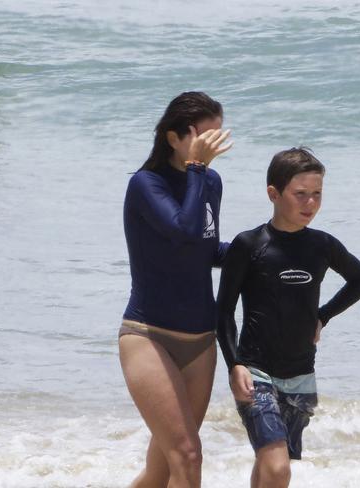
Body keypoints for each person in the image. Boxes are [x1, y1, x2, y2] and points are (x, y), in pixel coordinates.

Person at [216, 147, 360, 488]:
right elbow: (223, 310)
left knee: (270, 463)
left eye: (317, 194)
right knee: (278, 467)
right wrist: (234, 364)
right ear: (274, 193)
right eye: (300, 194)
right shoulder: (250, 244)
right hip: (256, 372)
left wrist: (323, 316)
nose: (310, 203)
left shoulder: (322, 245)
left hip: (301, 375)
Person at [119, 91, 233, 488]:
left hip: (200, 341)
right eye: (205, 137)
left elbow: (205, 247)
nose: (213, 146)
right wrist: (197, 168)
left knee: (162, 470)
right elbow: (183, 231)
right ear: (173, 138)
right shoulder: (146, 184)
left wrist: (262, 249)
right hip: (149, 335)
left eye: (217, 137)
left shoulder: (210, 182)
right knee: (188, 454)